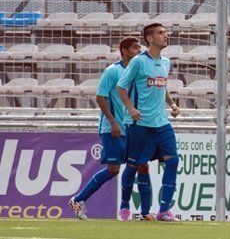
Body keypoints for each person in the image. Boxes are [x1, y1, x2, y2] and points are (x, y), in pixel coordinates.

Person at [70, 37, 152, 221]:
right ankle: (77, 199)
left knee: (142, 165)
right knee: (114, 169)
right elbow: (100, 97)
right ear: (124, 50)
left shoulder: (138, 72)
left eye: (140, 47)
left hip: (133, 128)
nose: (139, 50)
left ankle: (145, 213)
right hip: (113, 128)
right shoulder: (113, 71)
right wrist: (113, 122)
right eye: (135, 47)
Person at [117, 23, 181, 222]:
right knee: (134, 166)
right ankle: (125, 205)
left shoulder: (165, 62)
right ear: (150, 39)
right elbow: (121, 87)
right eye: (161, 33)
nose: (166, 35)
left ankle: (163, 210)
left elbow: (163, 85)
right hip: (140, 124)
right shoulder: (138, 62)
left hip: (161, 123)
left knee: (173, 160)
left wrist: (172, 104)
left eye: (165, 32)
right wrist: (130, 108)